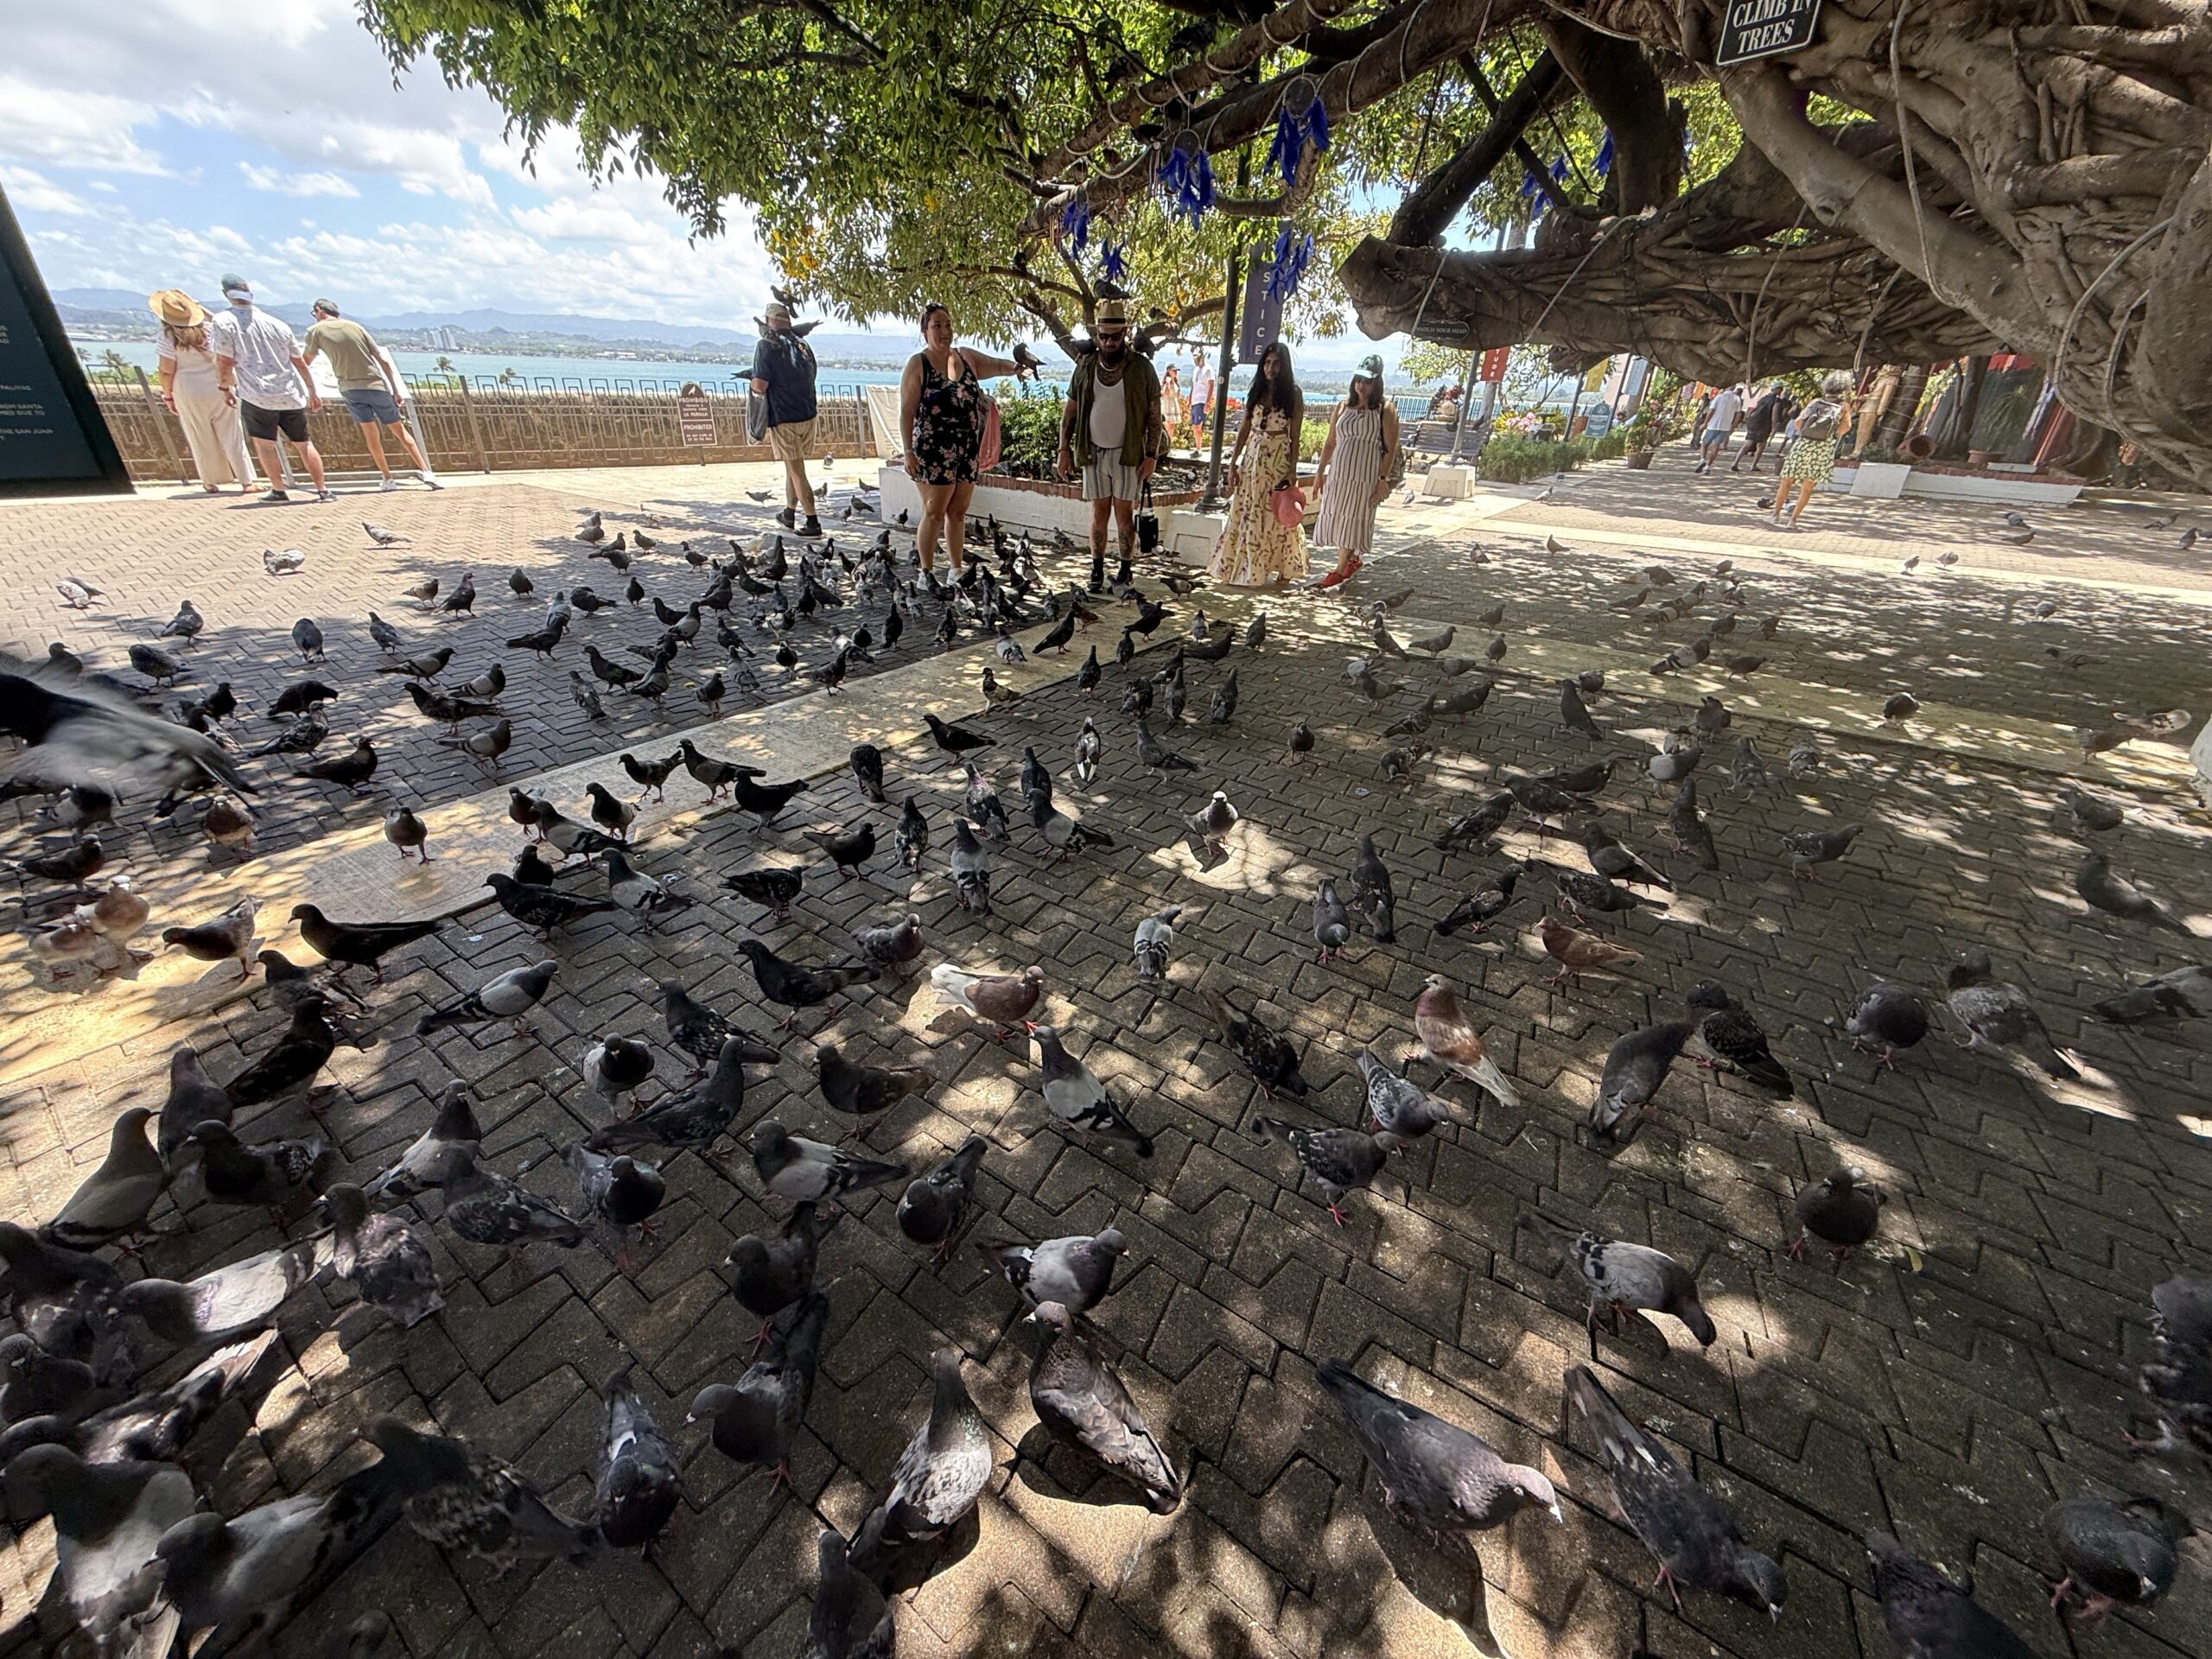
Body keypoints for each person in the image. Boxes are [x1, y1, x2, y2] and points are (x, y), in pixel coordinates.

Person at [897, 302, 1029, 574]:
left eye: (948, 324)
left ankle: (955, 570)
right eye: (937, 325)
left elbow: (995, 365)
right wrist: (908, 452)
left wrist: (1017, 369)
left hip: (966, 450)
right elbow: (906, 413)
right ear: (925, 331)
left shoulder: (965, 357)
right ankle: (927, 573)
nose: (944, 331)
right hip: (933, 451)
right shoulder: (918, 364)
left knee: (957, 513)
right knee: (934, 512)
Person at [1057, 299, 1164, 590]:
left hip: (1128, 454)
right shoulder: (1086, 366)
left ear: (1125, 335)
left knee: (1123, 515)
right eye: (1103, 336)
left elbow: (1155, 417)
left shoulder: (1141, 369)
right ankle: (1096, 570)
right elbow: (1071, 412)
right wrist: (1063, 451)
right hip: (1093, 453)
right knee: (1098, 515)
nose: (1109, 342)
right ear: (1096, 336)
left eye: (1115, 337)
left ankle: (1126, 570)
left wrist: (1152, 455)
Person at [206, 274, 330, 503]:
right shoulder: (278, 324)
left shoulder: (223, 322)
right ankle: (322, 490)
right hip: (289, 393)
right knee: (304, 443)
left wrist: (224, 388)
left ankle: (279, 489)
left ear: (226, 294)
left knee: (265, 444)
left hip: (257, 394)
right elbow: (299, 361)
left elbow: (224, 361)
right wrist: (311, 390)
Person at [302, 300, 441, 492]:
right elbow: (382, 360)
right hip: (376, 385)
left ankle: (387, 478)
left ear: (319, 310)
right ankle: (426, 472)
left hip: (350, 388)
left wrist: (308, 388)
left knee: (371, 436)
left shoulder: (315, 331)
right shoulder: (356, 327)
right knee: (400, 431)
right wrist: (395, 389)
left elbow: (305, 361)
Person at [1207, 339, 1306, 588]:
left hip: (1278, 458)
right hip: (1253, 459)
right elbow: (1244, 428)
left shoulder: (1292, 395)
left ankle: (1283, 566)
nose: (1271, 368)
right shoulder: (1257, 391)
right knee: (1249, 510)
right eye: (1267, 363)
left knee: (1275, 512)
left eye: (1276, 364)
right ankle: (1247, 567)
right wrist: (1233, 464)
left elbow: (1295, 435)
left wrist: (1292, 469)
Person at [148, 289, 251, 494]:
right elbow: (227, 335)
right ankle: (247, 480)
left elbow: (166, 370)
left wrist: (168, 396)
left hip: (188, 389)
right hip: (219, 386)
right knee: (233, 434)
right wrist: (199, 306)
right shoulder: (210, 329)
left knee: (198, 434)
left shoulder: (167, 336)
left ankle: (210, 481)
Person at [1311, 354, 1399, 588]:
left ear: (1377, 383)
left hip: (1365, 473)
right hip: (1340, 471)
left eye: (1367, 381)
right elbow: (1330, 442)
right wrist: (1320, 472)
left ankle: (1340, 569)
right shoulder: (1342, 406)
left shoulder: (1385, 410)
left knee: (1355, 516)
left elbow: (1390, 449)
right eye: (1358, 379)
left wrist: (1383, 479)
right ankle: (1351, 560)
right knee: (1338, 513)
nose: (1361, 385)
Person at [750, 298, 820, 536]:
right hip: (808, 413)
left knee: (797, 470)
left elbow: (759, 385)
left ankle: (812, 521)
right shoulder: (803, 344)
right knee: (794, 464)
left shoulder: (766, 345)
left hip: (783, 415)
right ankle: (789, 513)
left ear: (769, 321)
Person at [1770, 372, 1853, 529]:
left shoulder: (1816, 402)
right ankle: (1793, 521)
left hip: (1804, 444)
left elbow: (1798, 423)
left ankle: (1775, 515)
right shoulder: (1844, 407)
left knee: (1786, 481)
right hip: (1823, 448)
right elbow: (1845, 428)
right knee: (1807, 488)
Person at [1734, 383, 1783, 473]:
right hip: (1764, 423)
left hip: (1753, 420)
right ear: (1777, 389)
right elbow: (1774, 414)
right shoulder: (1776, 401)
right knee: (1761, 445)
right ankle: (1753, 465)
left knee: (1748, 443)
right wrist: (1774, 427)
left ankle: (1736, 462)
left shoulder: (1763, 398)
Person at [1696, 383, 1745, 473]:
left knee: (1705, 444)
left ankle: (1702, 460)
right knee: (1716, 446)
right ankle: (1708, 466)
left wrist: (1705, 423)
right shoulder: (1737, 399)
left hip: (1713, 425)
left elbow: (1711, 411)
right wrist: (1733, 425)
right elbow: (1739, 414)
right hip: (1725, 426)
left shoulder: (1719, 397)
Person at [1160, 363, 1189, 453]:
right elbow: (1166, 394)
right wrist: (1168, 383)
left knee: (1171, 426)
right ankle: (1166, 446)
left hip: (1174, 404)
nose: (1176, 372)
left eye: (1176, 371)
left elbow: (1177, 395)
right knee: (1167, 425)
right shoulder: (1168, 381)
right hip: (1168, 404)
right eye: (1174, 370)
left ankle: (1169, 445)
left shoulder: (1175, 382)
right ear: (1169, 371)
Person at [1192, 356, 1216, 448]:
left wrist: (1207, 402)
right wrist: (1190, 399)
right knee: (1194, 426)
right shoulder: (1196, 370)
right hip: (1195, 401)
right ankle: (1197, 447)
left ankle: (1199, 449)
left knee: (1198, 425)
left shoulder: (1208, 369)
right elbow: (1193, 385)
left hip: (1202, 400)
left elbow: (1211, 385)